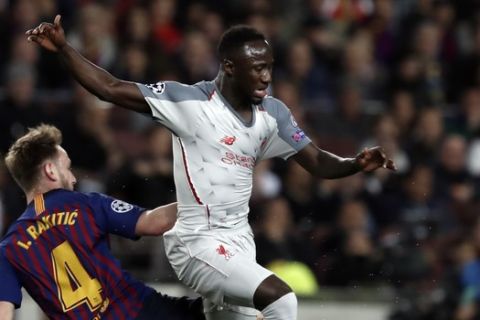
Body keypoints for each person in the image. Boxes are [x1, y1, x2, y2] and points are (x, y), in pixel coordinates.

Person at [26, 15, 396, 320]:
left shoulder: (273, 114)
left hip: (240, 245)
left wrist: (354, 164)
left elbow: (316, 161)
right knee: (283, 301)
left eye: (269, 67)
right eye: (257, 69)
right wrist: (63, 48)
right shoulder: (191, 104)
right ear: (230, 68)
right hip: (196, 243)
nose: (266, 77)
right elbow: (109, 87)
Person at [0, 124, 205, 320]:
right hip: (141, 311)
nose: (73, 178)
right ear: (50, 171)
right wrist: (210, 202)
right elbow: (156, 222)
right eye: (68, 168)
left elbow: (3, 313)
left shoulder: (8, 249)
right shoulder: (83, 204)